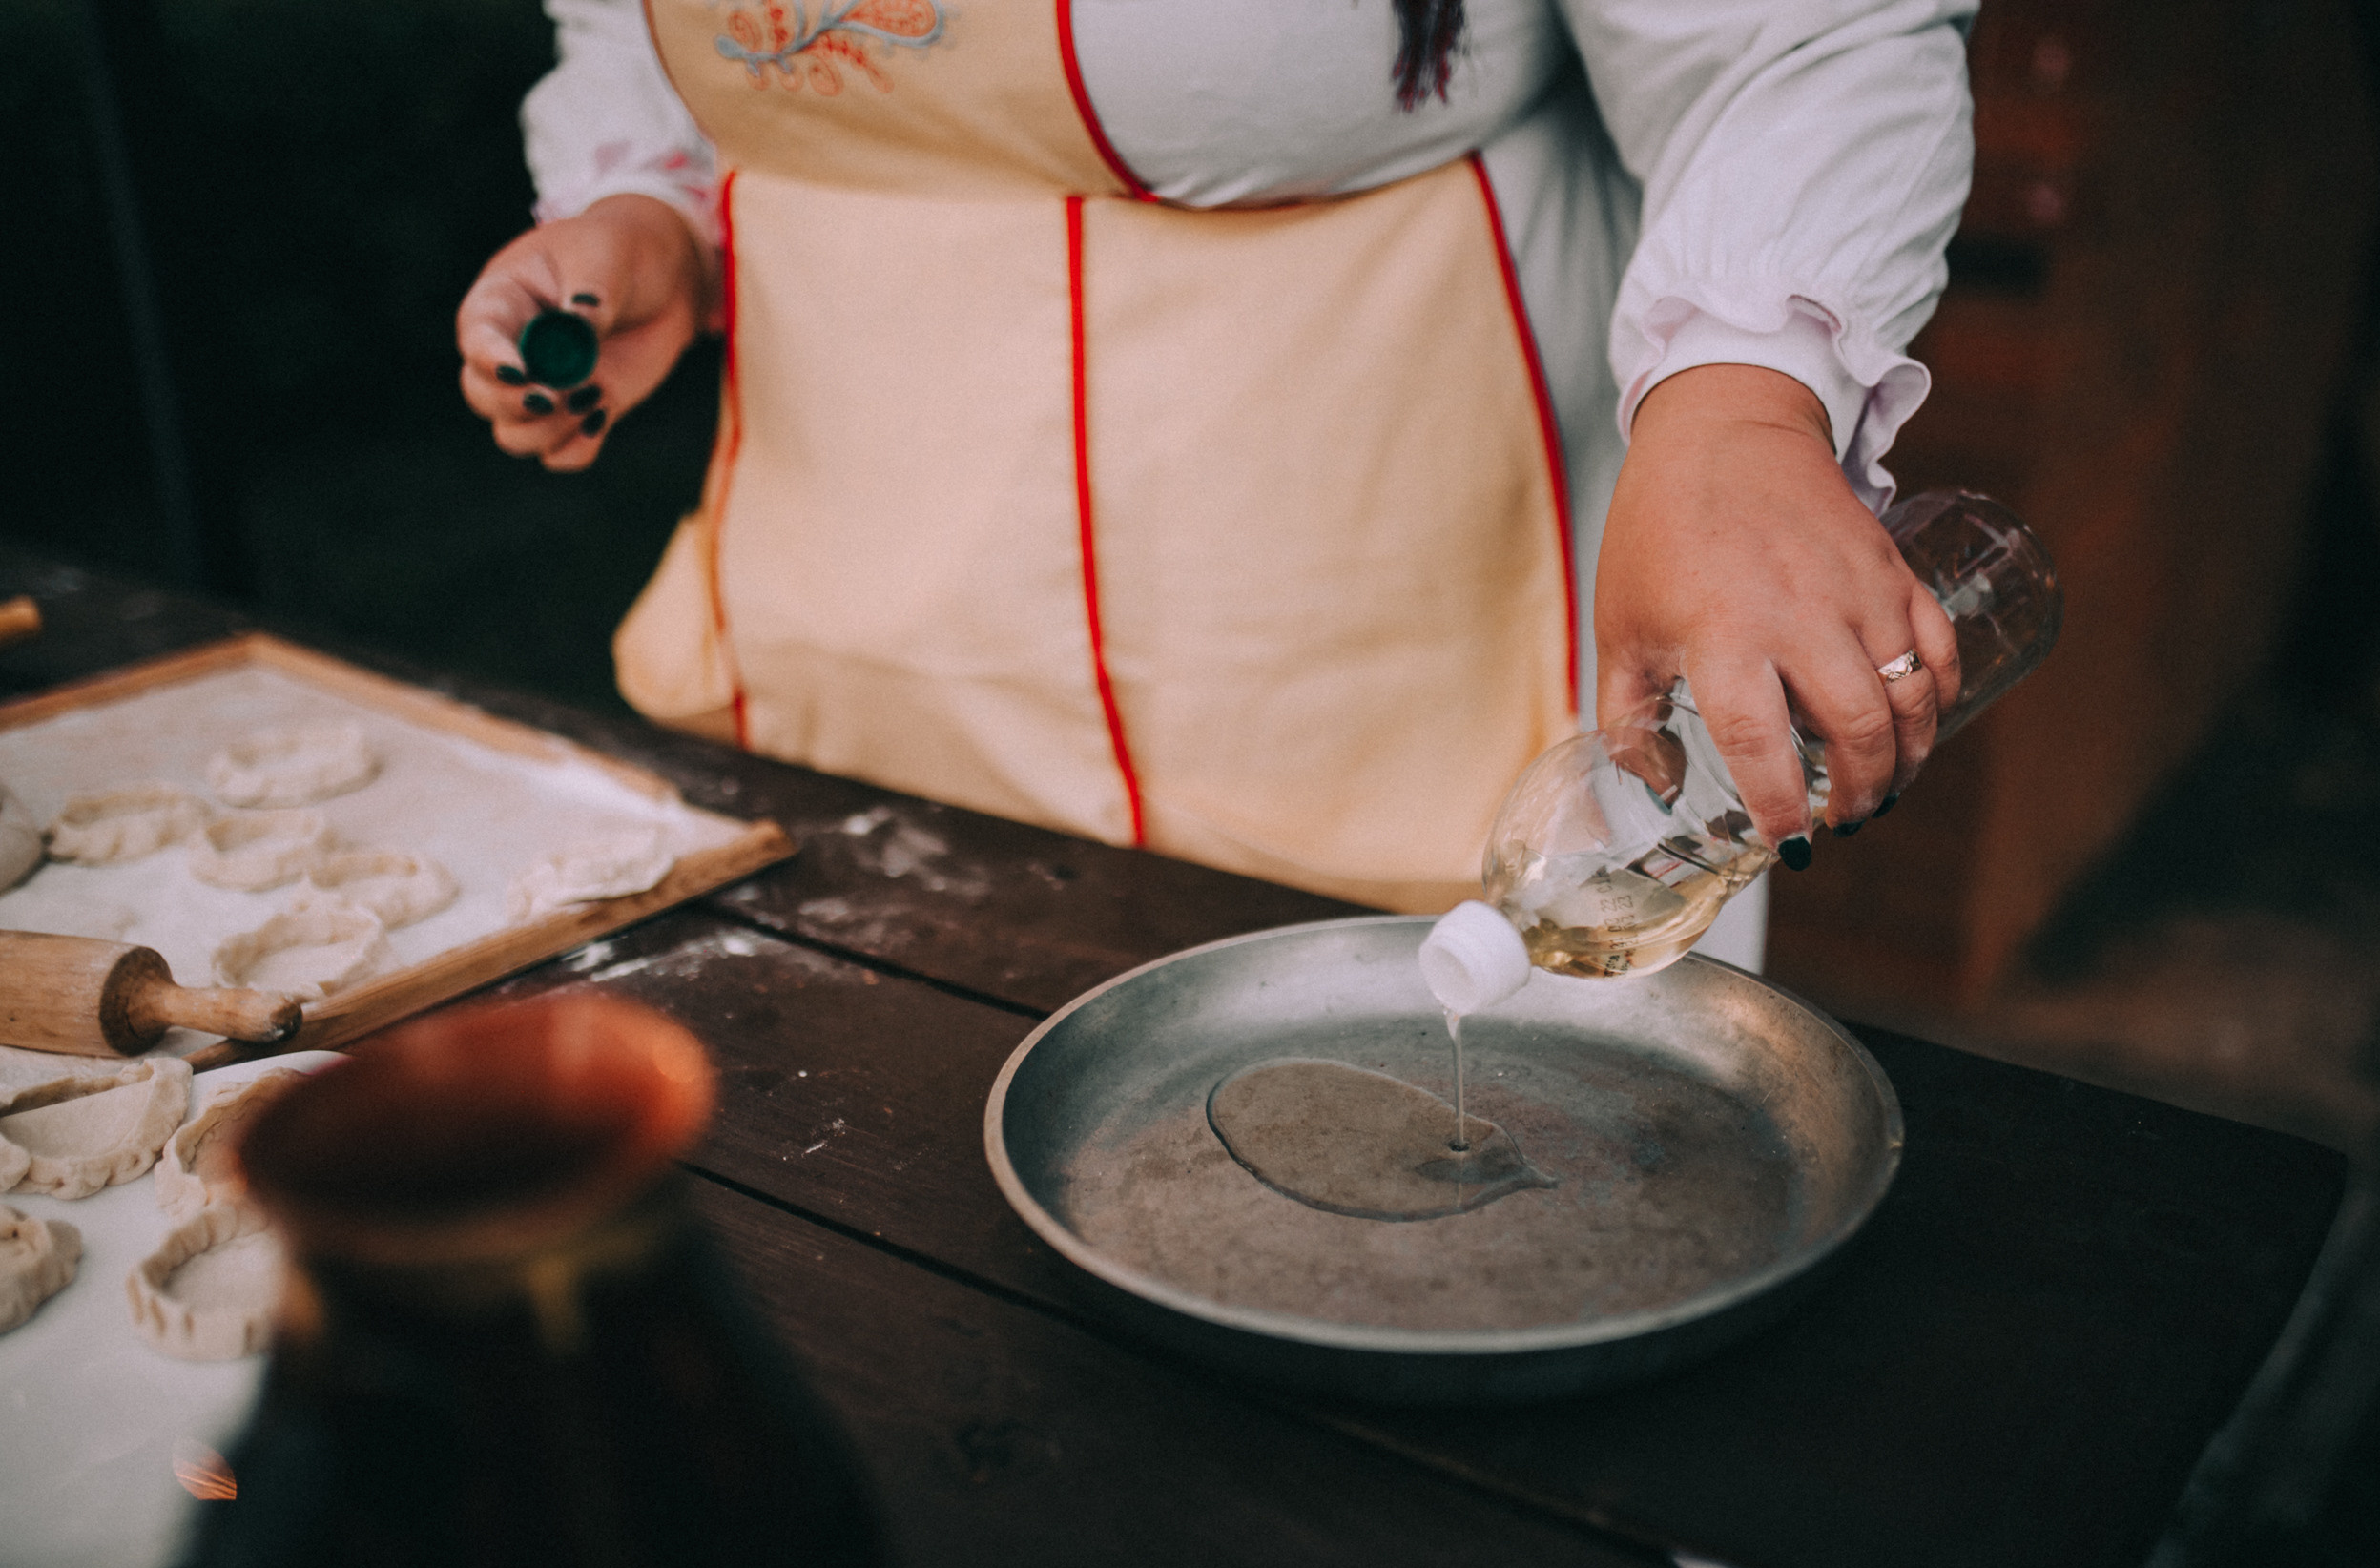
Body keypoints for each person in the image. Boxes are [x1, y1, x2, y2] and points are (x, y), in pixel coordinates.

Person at [457, 0, 1973, 968]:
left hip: (1423, 749)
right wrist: (644, 206)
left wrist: (1742, 410)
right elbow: (634, 36)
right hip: (845, 723)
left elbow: (1796, 42)